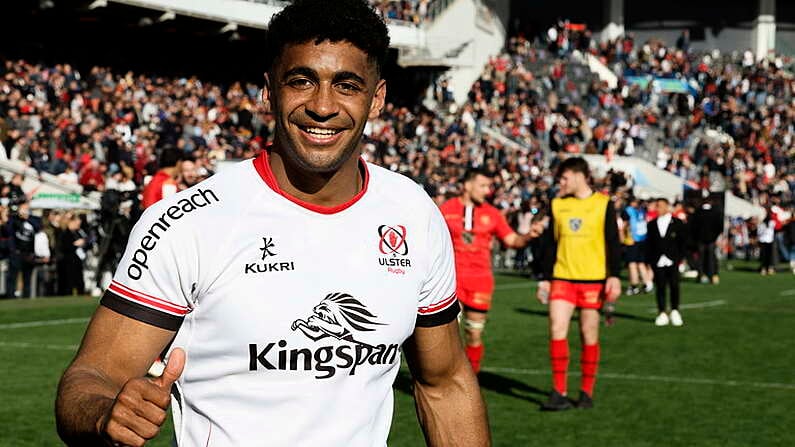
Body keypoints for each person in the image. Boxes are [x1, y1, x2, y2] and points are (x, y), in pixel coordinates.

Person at [55, 1, 490, 446]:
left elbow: (445, 383)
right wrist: (104, 413)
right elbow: (92, 375)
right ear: (269, 92)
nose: (323, 106)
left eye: (347, 85)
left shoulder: (412, 213)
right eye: (301, 81)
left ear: (376, 99)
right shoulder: (190, 221)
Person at [537, 157, 621, 410]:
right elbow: (550, 245)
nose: (560, 183)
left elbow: (613, 242)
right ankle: (558, 391)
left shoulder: (603, 204)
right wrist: (544, 279)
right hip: (562, 277)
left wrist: (614, 275)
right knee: (557, 329)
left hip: (593, 279)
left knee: (588, 333)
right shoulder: (557, 205)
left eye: (564, 178)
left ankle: (586, 391)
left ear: (578, 175)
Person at [440, 168, 541, 373]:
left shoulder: (492, 214)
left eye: (489, 186)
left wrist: (529, 236)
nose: (487, 191)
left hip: (480, 282)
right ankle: (445, 379)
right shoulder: (446, 208)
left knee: (474, 334)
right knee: (447, 337)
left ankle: (472, 379)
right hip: (450, 282)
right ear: (468, 185)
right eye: (483, 186)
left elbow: (512, 240)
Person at [645, 198, 686, 326]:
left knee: (674, 286)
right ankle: (662, 312)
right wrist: (650, 261)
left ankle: (675, 311)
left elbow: (682, 243)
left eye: (661, 206)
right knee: (660, 287)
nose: (658, 208)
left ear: (667, 207)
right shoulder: (651, 224)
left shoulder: (678, 223)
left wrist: (679, 259)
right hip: (658, 260)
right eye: (657, 206)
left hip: (672, 260)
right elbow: (650, 244)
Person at [621, 196, 653, 295]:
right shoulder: (641, 211)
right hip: (643, 239)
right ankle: (647, 283)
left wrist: (623, 237)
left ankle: (634, 285)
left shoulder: (628, 211)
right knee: (641, 263)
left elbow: (625, 225)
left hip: (632, 239)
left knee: (632, 263)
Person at [690, 196, 723, 284]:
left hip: (700, 239)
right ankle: (712, 275)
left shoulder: (697, 212)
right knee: (711, 257)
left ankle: (701, 275)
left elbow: (693, 227)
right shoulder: (716, 213)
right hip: (711, 239)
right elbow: (719, 226)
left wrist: (696, 237)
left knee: (700, 258)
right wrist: (714, 236)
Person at [757, 211, 776, 275]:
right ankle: (769, 269)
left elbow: (759, 232)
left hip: (763, 241)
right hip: (769, 240)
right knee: (769, 256)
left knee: (763, 256)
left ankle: (764, 269)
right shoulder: (772, 223)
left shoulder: (762, 224)